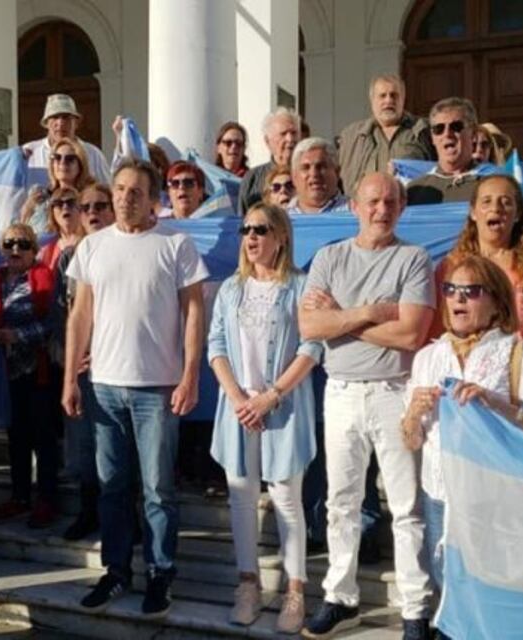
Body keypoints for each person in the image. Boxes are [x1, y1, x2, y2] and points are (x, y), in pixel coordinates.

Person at [62, 159, 208, 617]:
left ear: (153, 199)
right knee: (111, 487)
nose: (125, 198)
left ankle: (161, 573)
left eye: (135, 192)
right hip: (104, 386)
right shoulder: (92, 246)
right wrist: (70, 378)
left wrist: (190, 375)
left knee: (158, 489)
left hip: (158, 389)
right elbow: (80, 315)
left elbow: (193, 315)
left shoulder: (177, 244)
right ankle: (117, 570)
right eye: (120, 189)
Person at [299, 172, 436, 639]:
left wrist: (341, 318)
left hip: (394, 391)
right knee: (341, 502)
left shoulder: (413, 259)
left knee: (405, 504)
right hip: (340, 392)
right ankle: (340, 597)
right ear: (354, 206)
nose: (382, 209)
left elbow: (411, 334)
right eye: (373, 201)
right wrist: (370, 312)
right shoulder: (330, 257)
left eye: (391, 201)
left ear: (401, 207)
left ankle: (415, 608)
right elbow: (309, 326)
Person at [402, 254, 523, 593]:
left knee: (498, 594)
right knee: (448, 589)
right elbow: (412, 441)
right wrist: (413, 414)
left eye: (472, 291)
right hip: (441, 497)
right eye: (450, 289)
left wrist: (495, 403)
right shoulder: (428, 357)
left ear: (497, 303)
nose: (458, 298)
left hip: (500, 501)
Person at [208, 203, 320, 632]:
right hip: (237, 407)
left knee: (287, 499)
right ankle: (248, 584)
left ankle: (294, 594)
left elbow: (312, 348)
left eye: (262, 229)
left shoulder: (300, 287)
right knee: (240, 498)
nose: (252, 237)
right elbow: (215, 344)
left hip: (284, 406)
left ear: (281, 237)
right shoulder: (231, 289)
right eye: (246, 229)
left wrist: (271, 396)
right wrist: (238, 397)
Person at [433, 175, 523, 366]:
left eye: (505, 203)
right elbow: (436, 328)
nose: (496, 208)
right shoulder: (450, 267)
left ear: (518, 214)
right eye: (486, 201)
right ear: (473, 212)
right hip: (462, 379)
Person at [0, 224, 59, 529]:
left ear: (34, 249)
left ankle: (46, 499)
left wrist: (18, 335)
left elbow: (54, 322)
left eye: (24, 244)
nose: (16, 249)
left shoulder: (44, 278)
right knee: (17, 438)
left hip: (38, 370)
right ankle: (19, 496)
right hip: (5, 373)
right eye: (10, 243)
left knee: (43, 437)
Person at [54, 184, 113, 541]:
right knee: (87, 448)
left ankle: (125, 519)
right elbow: (66, 313)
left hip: (117, 366)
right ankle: (88, 512)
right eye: (85, 206)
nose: (92, 212)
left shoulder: (127, 249)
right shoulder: (72, 256)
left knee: (119, 451)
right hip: (82, 368)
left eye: (100, 206)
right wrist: (73, 359)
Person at [338, 74, 434, 194]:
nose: (388, 100)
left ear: (403, 99)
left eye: (394, 95)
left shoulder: (424, 130)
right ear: (372, 100)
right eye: (382, 96)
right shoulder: (351, 135)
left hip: (412, 207)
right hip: (365, 209)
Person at [23, 93, 111, 186]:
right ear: (46, 123)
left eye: (66, 117)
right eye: (55, 117)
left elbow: (107, 189)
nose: (60, 123)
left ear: (76, 123)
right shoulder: (30, 153)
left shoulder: (93, 154)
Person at [407, 97, 482, 206]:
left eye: (456, 126)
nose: (447, 134)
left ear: (474, 134)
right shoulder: (414, 191)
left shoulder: (492, 185)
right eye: (439, 129)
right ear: (432, 138)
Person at [19, 137, 95, 239]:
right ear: (52, 164)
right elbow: (23, 233)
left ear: (80, 165)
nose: (62, 162)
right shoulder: (39, 197)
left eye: (70, 159)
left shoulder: (91, 198)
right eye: (57, 157)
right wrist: (27, 211)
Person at [238, 107, 301, 213]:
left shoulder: (308, 175)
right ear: (268, 141)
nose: (290, 139)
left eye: (294, 133)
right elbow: (242, 220)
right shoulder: (253, 179)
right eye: (283, 134)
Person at [286, 138, 348, 216]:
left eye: (321, 166)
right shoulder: (280, 218)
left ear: (337, 172)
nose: (314, 174)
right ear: (294, 177)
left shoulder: (358, 212)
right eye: (306, 167)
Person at [36, 186, 86, 270]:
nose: (65, 207)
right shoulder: (47, 250)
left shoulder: (89, 241)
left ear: (80, 208)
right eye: (58, 204)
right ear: (52, 213)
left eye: (71, 202)